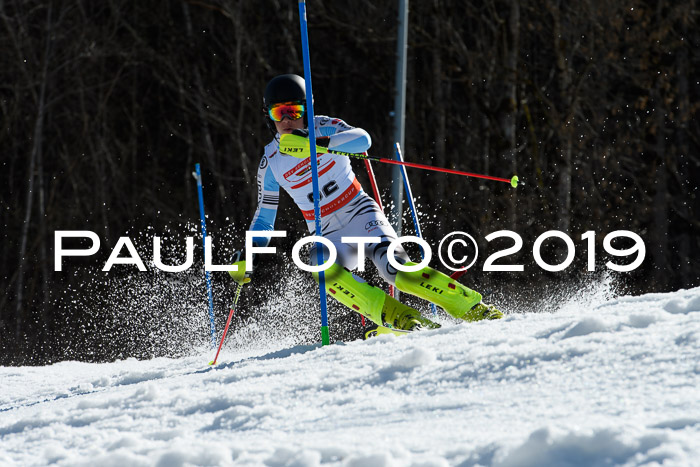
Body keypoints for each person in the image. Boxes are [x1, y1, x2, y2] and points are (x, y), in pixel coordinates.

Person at [230, 73, 502, 334]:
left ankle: (472, 308)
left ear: (307, 109)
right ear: (269, 116)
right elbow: (265, 218)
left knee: (397, 270)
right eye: (279, 113)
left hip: (360, 213)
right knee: (321, 268)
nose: (287, 120)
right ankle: (403, 318)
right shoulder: (271, 162)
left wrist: (316, 143)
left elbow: (363, 140)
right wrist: (249, 250)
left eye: (294, 111)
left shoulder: (324, 126)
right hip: (325, 232)